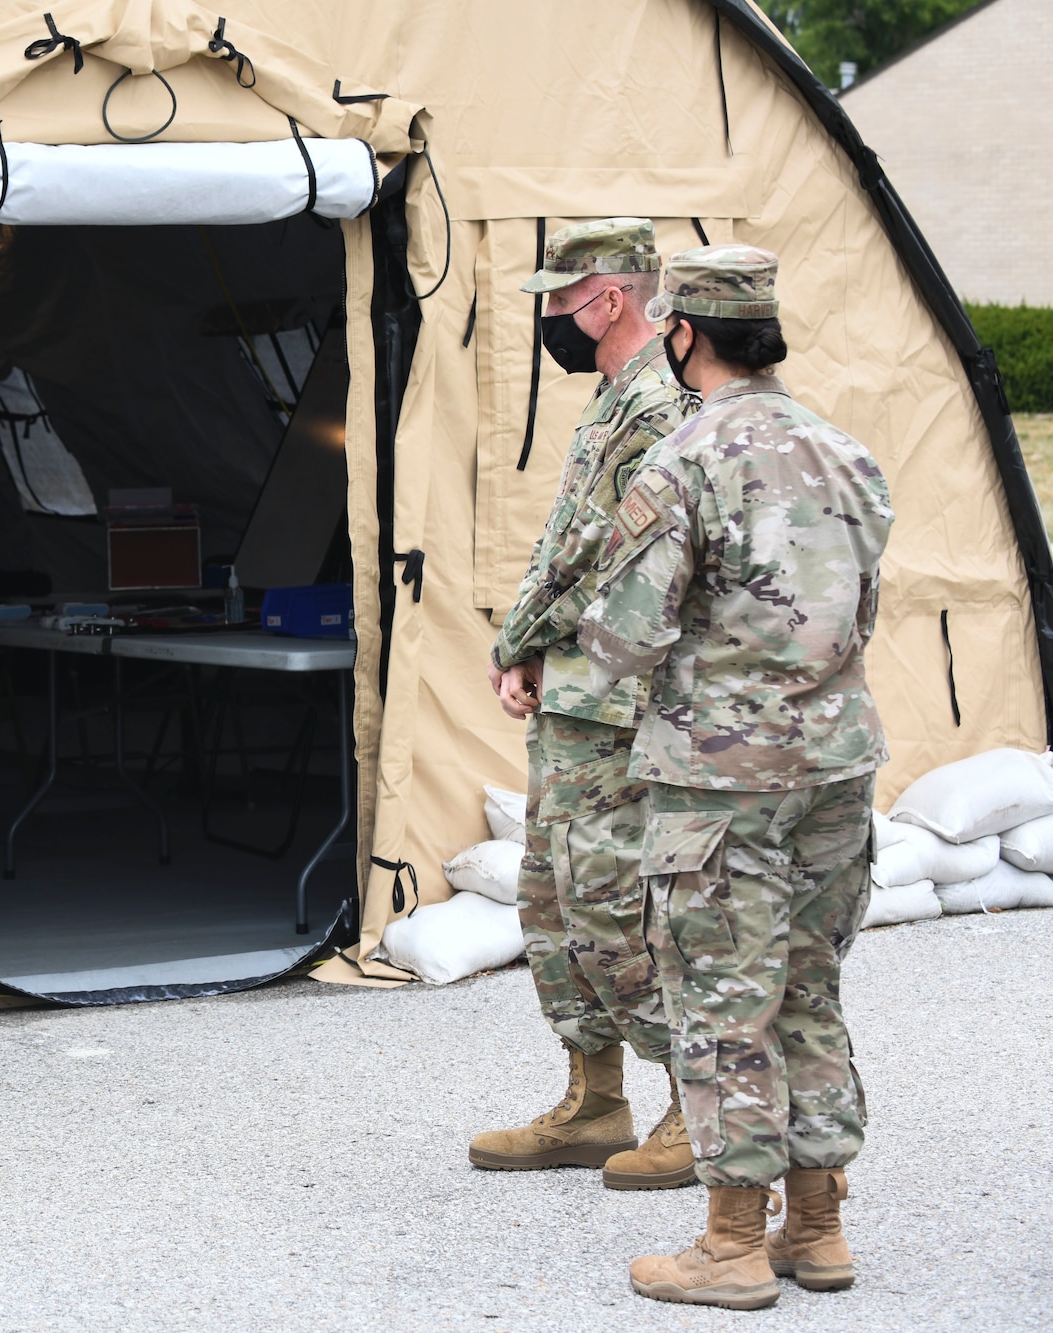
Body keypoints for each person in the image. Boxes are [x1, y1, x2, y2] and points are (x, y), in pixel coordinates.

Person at [578, 245, 892, 1310]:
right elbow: (856, 612)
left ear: (680, 335)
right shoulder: (845, 453)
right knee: (807, 987)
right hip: (834, 766)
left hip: (720, 783)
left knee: (722, 995)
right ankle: (817, 1227)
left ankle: (728, 1245)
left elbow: (621, 636)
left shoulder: (683, 460)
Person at [471, 218, 695, 1189]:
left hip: (623, 693)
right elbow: (558, 536)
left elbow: (597, 552)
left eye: (558, 300)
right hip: (574, 690)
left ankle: (698, 1105)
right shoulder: (611, 400)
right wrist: (532, 654)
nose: (549, 319)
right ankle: (594, 1100)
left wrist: (516, 636)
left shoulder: (657, 406)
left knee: (619, 903)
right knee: (551, 899)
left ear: (606, 297)